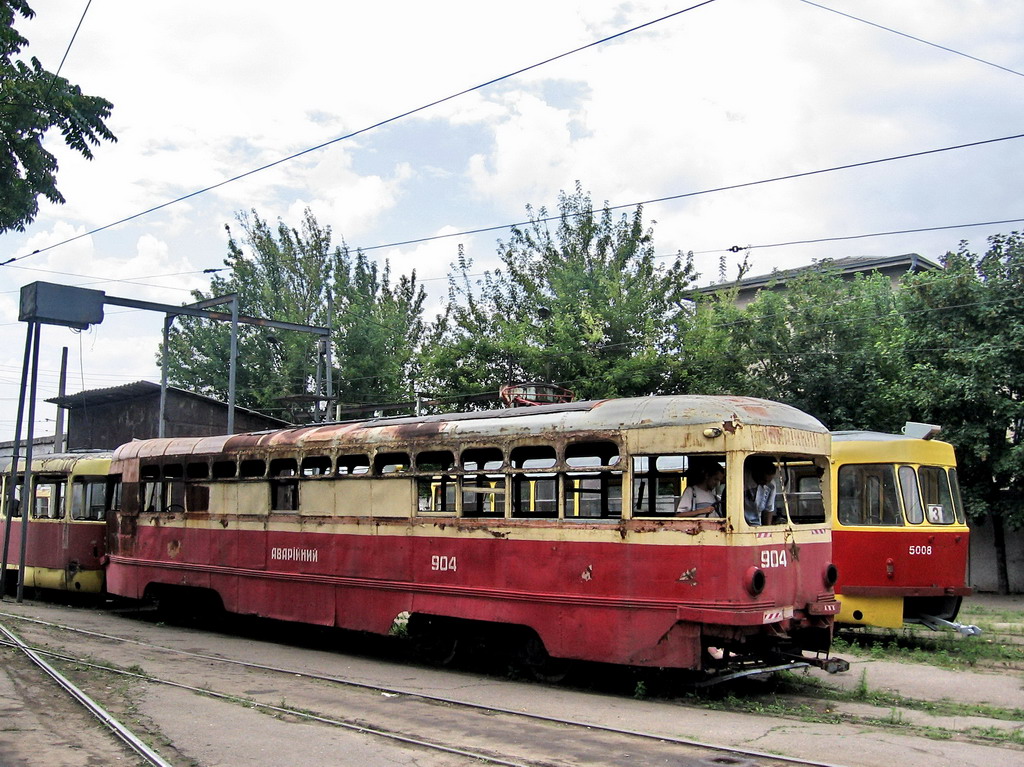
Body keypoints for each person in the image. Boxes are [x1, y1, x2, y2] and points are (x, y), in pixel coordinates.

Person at [743, 455, 777, 525]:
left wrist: (767, 529)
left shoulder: (771, 485)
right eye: (763, 480)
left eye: (768, 481)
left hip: (756, 523)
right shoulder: (743, 479)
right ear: (756, 473)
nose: (765, 484)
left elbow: (769, 509)